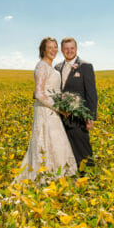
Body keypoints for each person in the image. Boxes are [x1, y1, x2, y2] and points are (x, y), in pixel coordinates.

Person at [14, 37, 77, 183]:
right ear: (43, 50)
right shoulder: (41, 66)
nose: (53, 50)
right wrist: (60, 108)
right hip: (45, 110)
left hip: (52, 110)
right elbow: (39, 93)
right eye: (50, 47)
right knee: (46, 141)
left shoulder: (51, 68)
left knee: (56, 142)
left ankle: (57, 176)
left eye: (55, 47)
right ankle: (45, 177)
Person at [55, 37, 98, 173]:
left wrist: (90, 117)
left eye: (72, 48)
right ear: (62, 50)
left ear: (76, 49)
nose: (69, 51)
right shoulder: (57, 68)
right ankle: (71, 175)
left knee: (82, 147)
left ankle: (89, 176)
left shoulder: (85, 66)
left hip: (79, 116)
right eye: (66, 49)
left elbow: (91, 93)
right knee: (65, 148)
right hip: (61, 116)